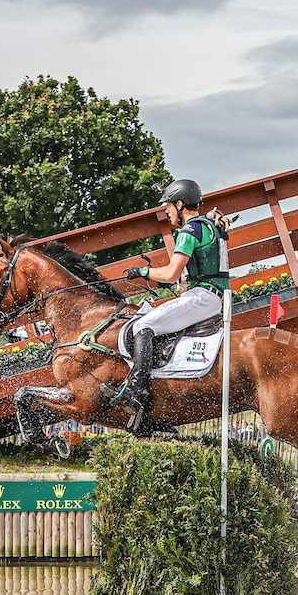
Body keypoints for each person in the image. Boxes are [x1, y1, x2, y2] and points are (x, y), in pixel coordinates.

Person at [108, 179, 230, 435]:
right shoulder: (210, 224)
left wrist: (142, 271)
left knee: (143, 324)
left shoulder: (189, 231)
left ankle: (137, 392)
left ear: (180, 204)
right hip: (213, 295)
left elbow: (172, 274)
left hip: (203, 297)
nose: (166, 214)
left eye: (168, 209)